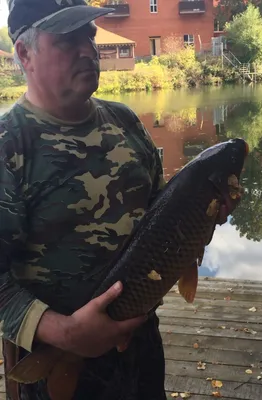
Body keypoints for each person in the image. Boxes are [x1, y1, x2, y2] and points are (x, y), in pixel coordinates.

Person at [0, 1, 231, 399]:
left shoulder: (124, 121)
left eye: (88, 36)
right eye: (68, 40)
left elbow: (162, 217)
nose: (88, 49)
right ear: (24, 53)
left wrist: (203, 211)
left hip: (140, 344)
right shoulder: (8, 146)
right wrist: (64, 332)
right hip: (54, 357)